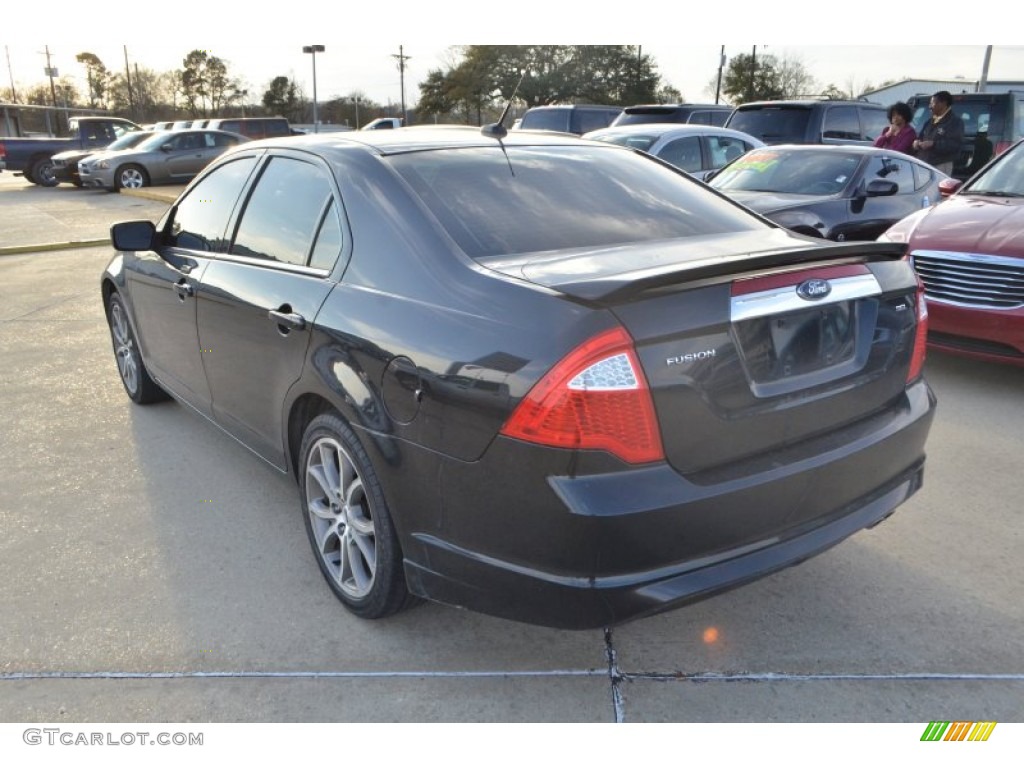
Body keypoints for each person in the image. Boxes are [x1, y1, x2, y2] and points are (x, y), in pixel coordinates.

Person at [913, 91, 965, 175]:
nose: (929, 106)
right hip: (924, 162)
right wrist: (916, 142)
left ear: (943, 103)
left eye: (932, 103)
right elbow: (920, 136)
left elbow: (955, 145)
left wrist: (933, 144)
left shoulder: (955, 122)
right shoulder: (929, 121)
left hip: (941, 164)